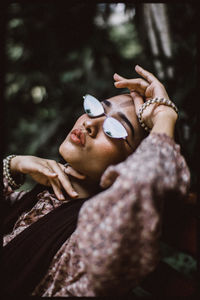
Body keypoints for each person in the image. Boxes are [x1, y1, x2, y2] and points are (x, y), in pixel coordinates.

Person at [2, 65, 190, 297]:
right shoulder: (39, 202)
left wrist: (164, 117)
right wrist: (14, 166)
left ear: (130, 165)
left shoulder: (95, 241)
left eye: (114, 129)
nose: (91, 124)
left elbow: (141, 186)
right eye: (96, 109)